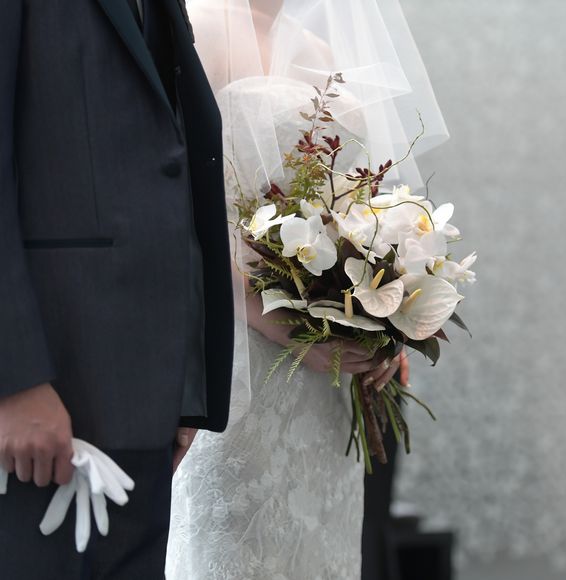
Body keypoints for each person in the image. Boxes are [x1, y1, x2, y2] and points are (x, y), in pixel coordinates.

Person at [167, 1, 446, 578]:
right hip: (238, 350)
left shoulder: (323, 51)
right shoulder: (195, 27)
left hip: (326, 376)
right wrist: (279, 325)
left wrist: (383, 319)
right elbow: (179, 212)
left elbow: (352, 205)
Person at [0, 0, 233, 578]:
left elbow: (170, 150)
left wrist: (186, 382)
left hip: (145, 397)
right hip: (45, 396)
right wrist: (13, 381)